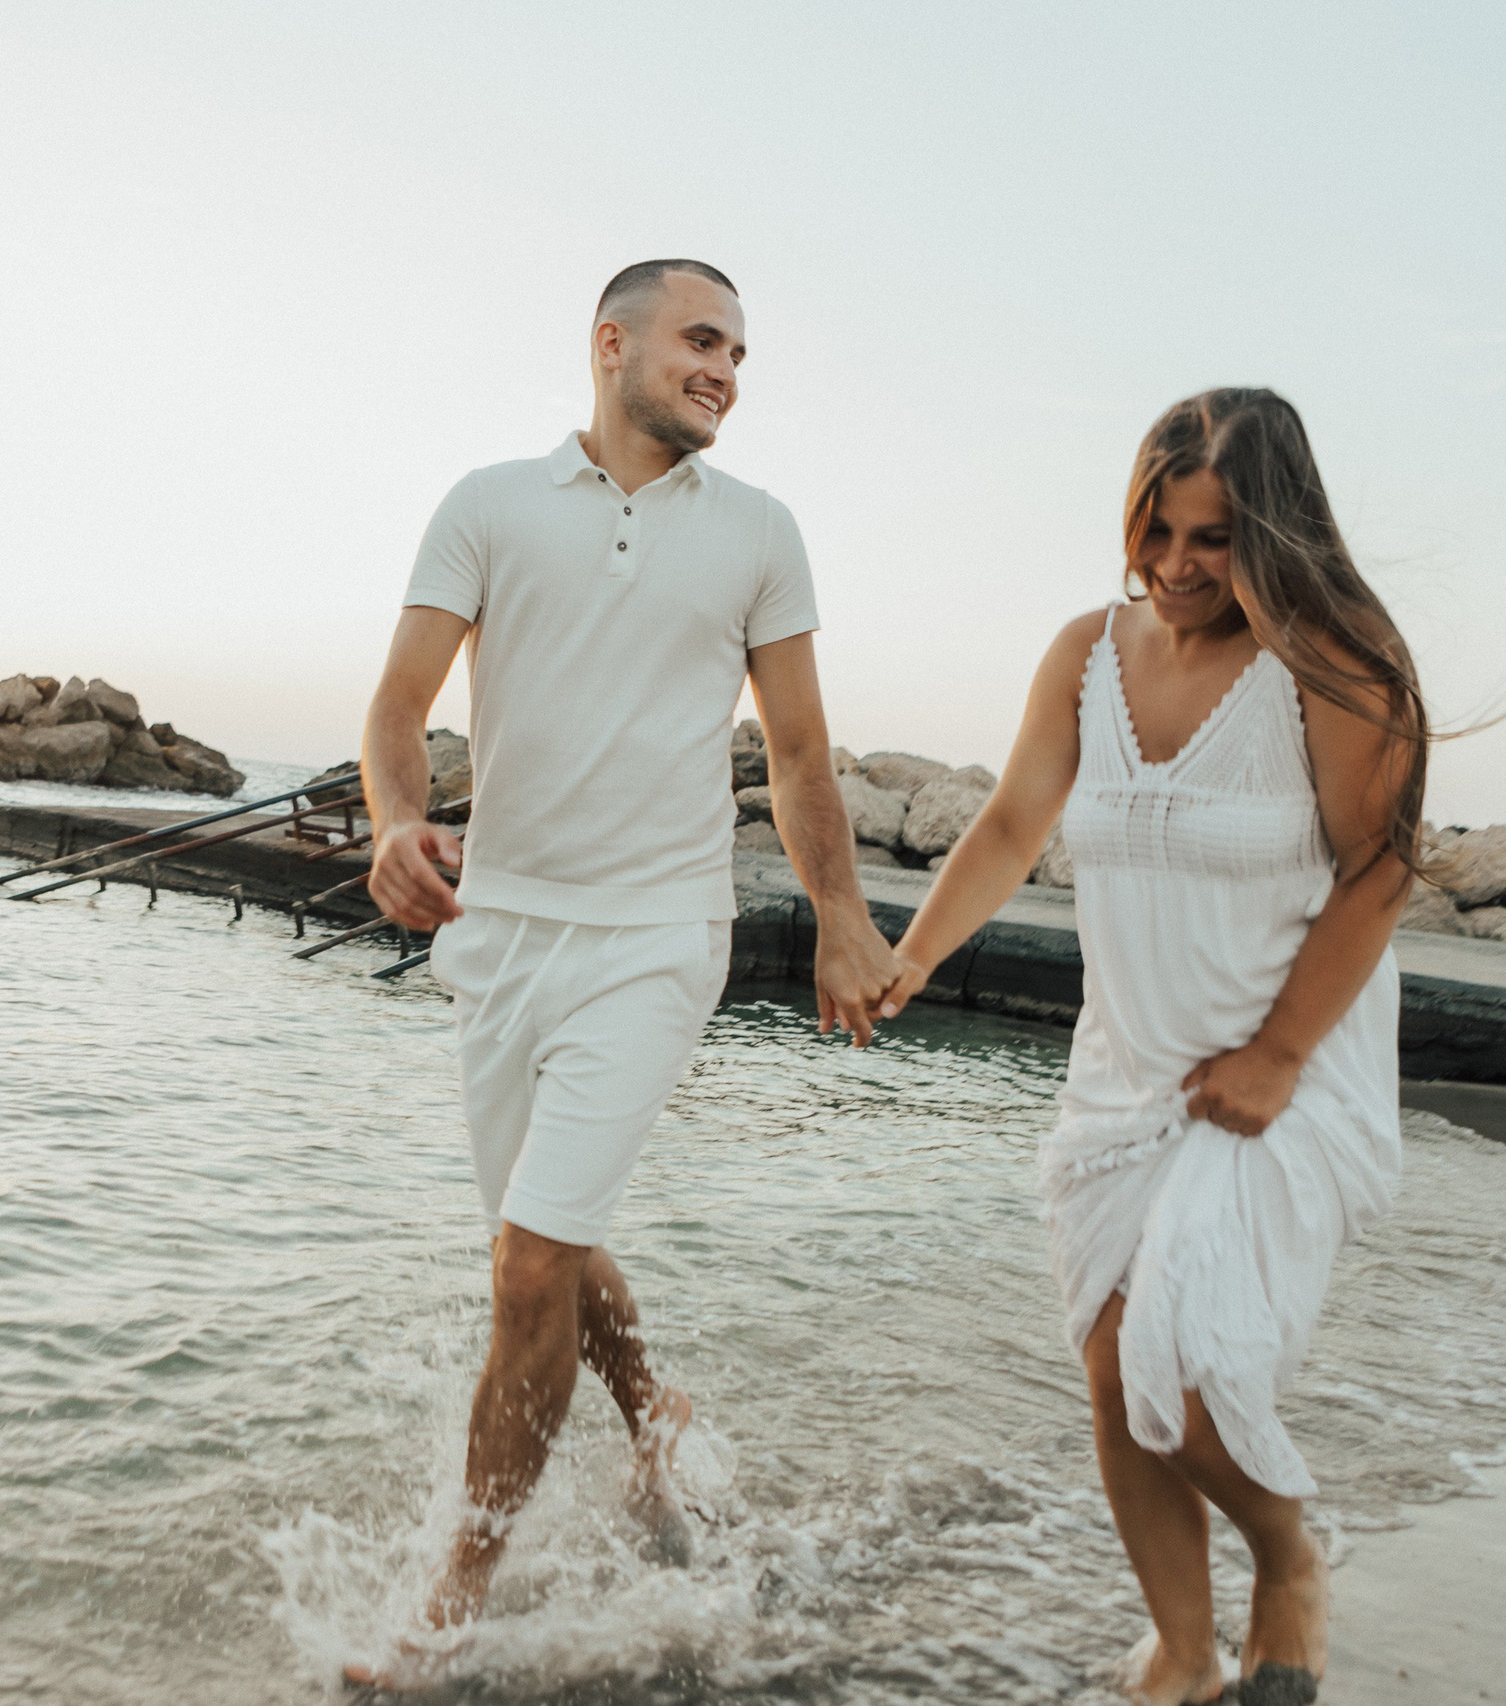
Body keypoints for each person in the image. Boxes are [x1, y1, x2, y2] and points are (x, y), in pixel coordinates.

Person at [346, 259, 901, 1687]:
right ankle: (653, 1407)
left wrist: (840, 913)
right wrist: (398, 823)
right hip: (501, 936)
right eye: (700, 341)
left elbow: (795, 749)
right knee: (549, 1240)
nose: (725, 369)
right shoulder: (488, 503)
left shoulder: (763, 533)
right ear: (614, 345)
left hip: (660, 934)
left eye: (738, 351)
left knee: (532, 1260)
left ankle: (458, 1581)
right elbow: (399, 710)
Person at [882, 389, 1425, 1705]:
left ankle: (1287, 1555)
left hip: (1282, 1068)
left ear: (1277, 534)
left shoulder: (1335, 659)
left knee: (1174, 1373)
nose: (1178, 566)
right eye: (1158, 531)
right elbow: (1015, 820)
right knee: (1112, 1359)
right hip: (1127, 1070)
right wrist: (913, 955)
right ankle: (1182, 1649)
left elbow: (1381, 869)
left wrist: (1282, 1053)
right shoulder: (1087, 652)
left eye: (1215, 539)